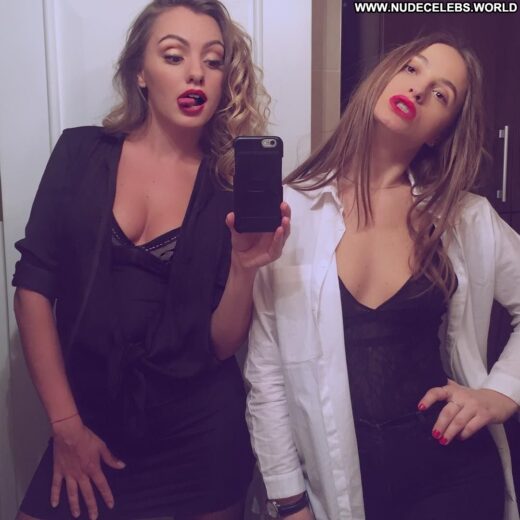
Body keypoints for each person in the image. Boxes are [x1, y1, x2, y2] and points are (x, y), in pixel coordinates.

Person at [13, 1, 290, 519]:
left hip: (199, 441)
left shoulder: (227, 187)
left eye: (213, 60)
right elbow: (32, 289)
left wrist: (244, 269)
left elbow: (219, 345)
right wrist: (66, 427)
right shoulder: (80, 154)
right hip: (86, 421)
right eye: (174, 55)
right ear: (140, 72)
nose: (196, 73)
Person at [245, 33, 520, 520]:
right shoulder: (293, 210)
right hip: (340, 484)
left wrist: (502, 392)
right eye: (412, 69)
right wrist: (288, 500)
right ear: (382, 78)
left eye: (441, 94)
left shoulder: (463, 217)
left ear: (440, 132)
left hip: (452, 478)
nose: (418, 89)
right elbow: (265, 370)